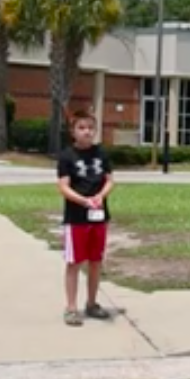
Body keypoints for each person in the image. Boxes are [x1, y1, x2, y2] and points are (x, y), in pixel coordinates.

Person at [56, 110, 115, 326]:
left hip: (99, 216)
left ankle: (92, 303)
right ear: (73, 132)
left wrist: (100, 196)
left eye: (90, 127)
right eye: (81, 128)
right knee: (74, 263)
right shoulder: (66, 156)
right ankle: (71, 308)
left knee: (95, 261)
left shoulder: (101, 153)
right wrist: (83, 200)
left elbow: (110, 180)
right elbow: (63, 186)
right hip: (76, 218)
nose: (87, 132)